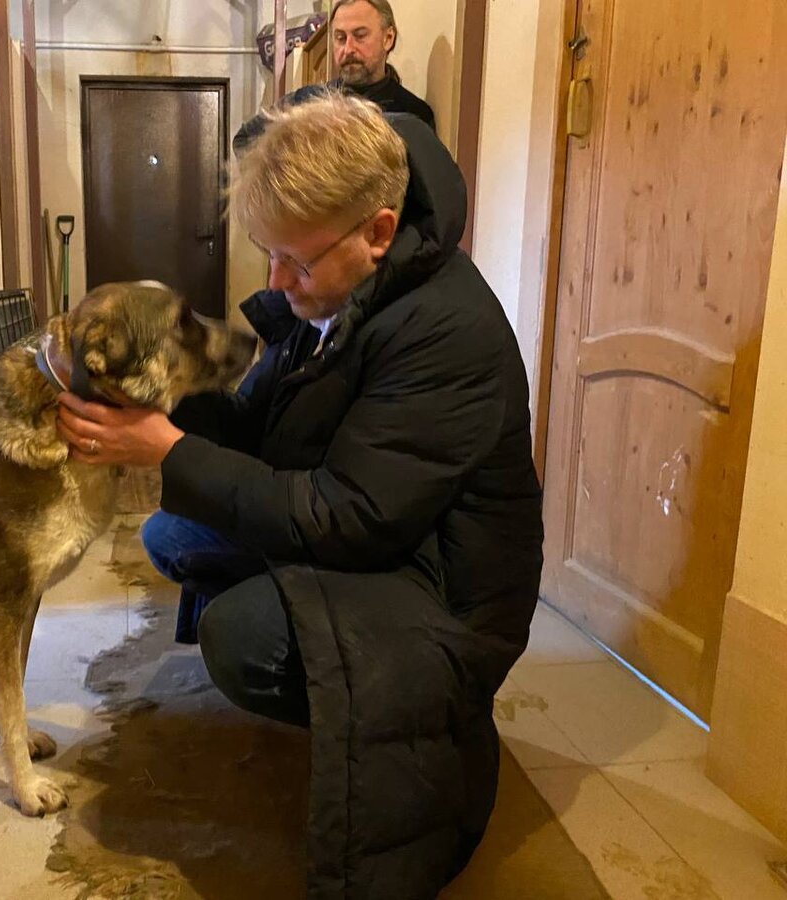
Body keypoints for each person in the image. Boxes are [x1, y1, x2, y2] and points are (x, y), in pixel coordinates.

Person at [56, 92, 543, 898]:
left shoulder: (445, 330)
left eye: (298, 262)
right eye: (267, 255)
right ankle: (333, 671)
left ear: (379, 230)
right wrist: (167, 399)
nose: (278, 284)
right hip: (384, 533)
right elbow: (261, 429)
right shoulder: (349, 292)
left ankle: (417, 714)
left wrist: (167, 453)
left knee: (242, 637)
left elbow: (343, 517)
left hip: (444, 593)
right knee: (177, 533)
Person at [239, 0, 434, 154]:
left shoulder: (414, 115)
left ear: (388, 38)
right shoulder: (307, 101)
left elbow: (428, 198)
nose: (348, 49)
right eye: (340, 38)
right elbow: (245, 140)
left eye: (360, 36)